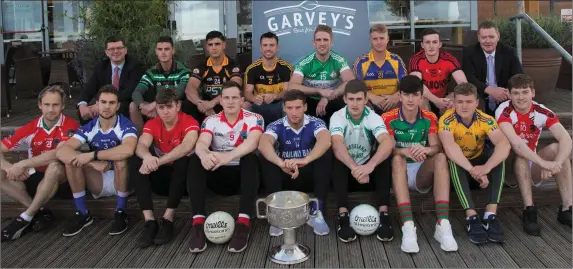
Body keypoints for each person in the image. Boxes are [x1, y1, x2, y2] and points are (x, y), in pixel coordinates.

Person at [382, 75, 457, 253]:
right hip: (398, 172)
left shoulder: (429, 117)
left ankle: (443, 224)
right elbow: (387, 150)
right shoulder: (388, 117)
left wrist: (426, 150)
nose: (410, 99)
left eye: (415, 95)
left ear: (421, 97)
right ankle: (408, 226)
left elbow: (437, 147)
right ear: (399, 96)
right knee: (397, 158)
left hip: (421, 172)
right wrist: (404, 151)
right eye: (406, 95)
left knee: (440, 158)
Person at [187, 81, 263, 253]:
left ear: (242, 100)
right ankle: (198, 224)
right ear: (220, 100)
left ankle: (243, 223)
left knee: (250, 159)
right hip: (218, 174)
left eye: (235, 98)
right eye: (226, 98)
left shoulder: (254, 118)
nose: (230, 102)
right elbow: (201, 143)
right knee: (194, 160)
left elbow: (252, 143)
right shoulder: (210, 120)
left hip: (242, 175)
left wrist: (226, 157)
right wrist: (204, 154)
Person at [495, 74, 572, 234]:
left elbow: (566, 138)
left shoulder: (542, 111)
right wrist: (544, 163)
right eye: (516, 93)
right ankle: (529, 210)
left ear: (533, 93)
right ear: (509, 95)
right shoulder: (504, 111)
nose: (521, 97)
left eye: (525, 92)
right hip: (506, 169)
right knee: (522, 154)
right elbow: (516, 144)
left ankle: (567, 208)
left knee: (558, 150)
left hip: (530, 167)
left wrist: (555, 164)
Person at [1, 86, 79, 241]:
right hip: (35, 178)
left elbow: (58, 154)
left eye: (55, 105)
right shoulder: (31, 127)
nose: (51, 109)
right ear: (39, 105)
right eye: (47, 104)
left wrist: (23, 163)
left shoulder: (71, 126)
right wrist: (8, 167)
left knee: (54, 166)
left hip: (63, 181)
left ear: (63, 106)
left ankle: (25, 217)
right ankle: (39, 212)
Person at [57, 85, 138, 237]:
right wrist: (90, 162)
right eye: (103, 102)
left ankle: (121, 211)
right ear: (97, 104)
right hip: (98, 179)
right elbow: (62, 151)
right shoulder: (90, 127)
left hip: (122, 179)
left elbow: (128, 150)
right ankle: (82, 213)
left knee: (120, 159)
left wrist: (93, 155)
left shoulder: (126, 125)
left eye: (112, 103)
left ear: (118, 106)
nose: (107, 107)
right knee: (72, 160)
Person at [438, 83, 510, 245]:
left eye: (469, 102)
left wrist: (486, 168)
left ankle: (490, 216)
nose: (464, 106)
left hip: (479, 166)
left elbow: (504, 144)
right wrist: (473, 171)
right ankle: (471, 217)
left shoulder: (485, 119)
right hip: (461, 171)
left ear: (477, 103)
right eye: (460, 102)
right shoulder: (446, 120)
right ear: (454, 102)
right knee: (452, 159)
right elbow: (450, 148)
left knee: (497, 155)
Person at [130, 90, 199, 248]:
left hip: (182, 182)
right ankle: (150, 221)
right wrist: (147, 158)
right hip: (161, 180)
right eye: (161, 107)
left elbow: (186, 147)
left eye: (169, 106)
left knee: (184, 159)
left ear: (178, 106)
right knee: (137, 160)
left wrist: (158, 161)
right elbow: (141, 145)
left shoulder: (189, 121)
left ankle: (168, 218)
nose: (165, 111)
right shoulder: (152, 124)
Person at [258, 89, 332, 236]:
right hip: (286, 175)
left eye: (298, 107)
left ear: (305, 107)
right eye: (290, 108)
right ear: (284, 108)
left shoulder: (315, 122)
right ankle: (277, 212)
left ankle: (317, 211)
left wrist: (306, 160)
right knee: (266, 156)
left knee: (326, 153)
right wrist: (281, 163)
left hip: (309, 173)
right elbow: (263, 143)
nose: (294, 112)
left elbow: (325, 140)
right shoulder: (276, 125)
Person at [329, 79, 394, 244]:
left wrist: (369, 166)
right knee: (337, 159)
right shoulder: (338, 117)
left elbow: (387, 142)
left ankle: (384, 214)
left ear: (366, 99)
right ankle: (343, 215)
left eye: (359, 99)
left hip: (368, 172)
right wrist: (355, 168)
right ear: (345, 99)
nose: (355, 103)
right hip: (348, 171)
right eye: (351, 99)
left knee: (383, 158)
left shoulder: (372, 117)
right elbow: (337, 145)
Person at [290, 24, 354, 126]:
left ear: (331, 42)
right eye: (318, 40)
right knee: (296, 102)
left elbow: (351, 82)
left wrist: (328, 96)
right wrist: (319, 91)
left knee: (350, 99)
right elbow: (292, 86)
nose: (322, 43)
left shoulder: (339, 60)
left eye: (325, 40)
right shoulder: (305, 63)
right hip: (311, 100)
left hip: (333, 99)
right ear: (314, 43)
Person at [77, 36, 146, 125]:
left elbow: (129, 92)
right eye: (111, 49)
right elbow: (88, 89)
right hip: (105, 103)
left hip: (124, 103)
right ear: (106, 52)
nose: (116, 51)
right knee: (84, 111)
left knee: (123, 107)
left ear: (125, 50)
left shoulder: (136, 67)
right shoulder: (101, 67)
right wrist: (82, 105)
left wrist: (103, 105)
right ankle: (91, 137)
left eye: (119, 48)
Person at [131, 36, 191, 134]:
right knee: (133, 106)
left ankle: (174, 138)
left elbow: (179, 93)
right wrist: (142, 106)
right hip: (158, 107)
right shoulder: (152, 71)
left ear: (173, 50)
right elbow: (137, 92)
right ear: (156, 52)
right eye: (160, 49)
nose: (163, 52)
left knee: (177, 103)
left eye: (166, 49)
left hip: (173, 106)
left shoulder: (183, 70)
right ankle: (140, 140)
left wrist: (155, 104)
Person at [462, 21, 524, 115]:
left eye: (491, 37)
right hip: (481, 94)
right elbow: (469, 77)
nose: (488, 41)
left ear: (498, 36)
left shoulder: (509, 52)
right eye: (484, 37)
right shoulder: (469, 52)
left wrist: (509, 91)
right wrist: (489, 89)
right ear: (478, 38)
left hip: (503, 94)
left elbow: (519, 76)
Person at [184, 31, 242, 123]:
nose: (214, 48)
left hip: (224, 103)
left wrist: (212, 103)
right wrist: (201, 104)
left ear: (224, 45)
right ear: (207, 47)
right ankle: (192, 133)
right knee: (187, 105)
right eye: (210, 45)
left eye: (217, 44)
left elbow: (235, 88)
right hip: (205, 105)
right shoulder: (202, 65)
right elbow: (190, 89)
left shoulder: (232, 65)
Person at [409, 28, 468, 115]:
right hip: (426, 98)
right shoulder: (416, 59)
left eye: (435, 42)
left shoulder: (448, 58)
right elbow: (416, 84)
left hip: (444, 97)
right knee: (419, 100)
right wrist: (436, 101)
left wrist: (452, 100)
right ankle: (429, 127)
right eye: (427, 42)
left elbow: (463, 83)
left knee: (457, 97)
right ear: (422, 45)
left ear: (440, 44)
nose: (431, 46)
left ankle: (447, 126)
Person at [353, 24, 407, 114]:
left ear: (388, 39)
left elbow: (407, 85)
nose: (379, 42)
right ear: (370, 40)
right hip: (370, 105)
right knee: (359, 103)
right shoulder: (361, 62)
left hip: (392, 104)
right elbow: (354, 87)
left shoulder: (396, 60)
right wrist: (371, 97)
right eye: (375, 39)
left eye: (382, 38)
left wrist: (395, 96)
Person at [244, 31, 293, 124]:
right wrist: (254, 98)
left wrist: (275, 96)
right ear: (260, 48)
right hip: (259, 105)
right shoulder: (252, 69)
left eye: (271, 45)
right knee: (244, 106)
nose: (268, 48)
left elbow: (287, 91)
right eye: (265, 45)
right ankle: (249, 136)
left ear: (277, 47)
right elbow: (247, 92)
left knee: (290, 105)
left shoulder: (286, 68)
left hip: (279, 105)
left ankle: (286, 135)